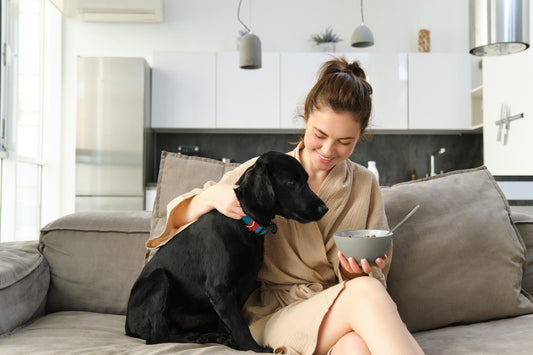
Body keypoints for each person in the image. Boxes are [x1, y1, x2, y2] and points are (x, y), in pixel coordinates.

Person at [146, 57, 424, 355]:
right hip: (273, 313)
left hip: (337, 304)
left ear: (361, 135)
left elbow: (374, 277)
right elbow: (178, 219)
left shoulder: (365, 184)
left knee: (355, 345)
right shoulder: (264, 171)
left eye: (345, 141)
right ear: (305, 117)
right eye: (320, 135)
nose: (328, 151)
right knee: (365, 294)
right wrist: (213, 196)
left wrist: (355, 271)